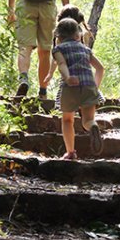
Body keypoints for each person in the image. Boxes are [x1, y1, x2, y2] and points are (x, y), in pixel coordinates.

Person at [45, 17, 105, 160]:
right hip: (88, 86)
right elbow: (100, 69)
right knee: (87, 120)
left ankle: (71, 152)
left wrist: (68, 77)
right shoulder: (86, 49)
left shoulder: (58, 49)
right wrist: (95, 87)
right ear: (78, 35)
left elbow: (61, 64)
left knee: (67, 120)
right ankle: (93, 127)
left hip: (70, 88)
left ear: (58, 36)